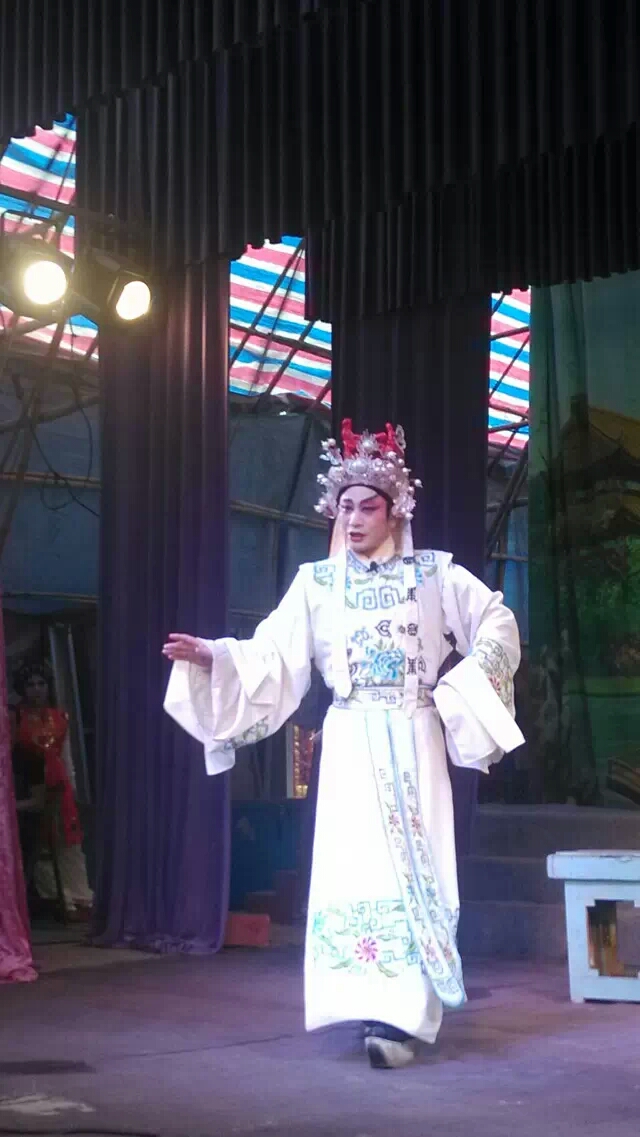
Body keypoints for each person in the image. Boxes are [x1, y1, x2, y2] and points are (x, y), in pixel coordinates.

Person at [163, 421, 524, 1069]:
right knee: (355, 870)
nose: (353, 519)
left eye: (367, 507)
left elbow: (496, 620)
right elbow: (274, 654)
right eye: (345, 507)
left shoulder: (434, 575)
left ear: (395, 512)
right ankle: (364, 1002)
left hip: (413, 736)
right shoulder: (318, 584)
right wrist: (216, 656)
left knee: (415, 867)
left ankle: (403, 1016)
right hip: (351, 743)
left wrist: (462, 685)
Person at [11, 661, 93, 919]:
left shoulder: (60, 717)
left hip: (59, 783)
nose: (36, 689)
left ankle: (81, 896)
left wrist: (72, 787)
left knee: (69, 841)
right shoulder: (15, 718)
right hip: (31, 783)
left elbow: (66, 757)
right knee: (42, 843)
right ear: (22, 689)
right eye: (30, 685)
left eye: (41, 684)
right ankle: (60, 898)